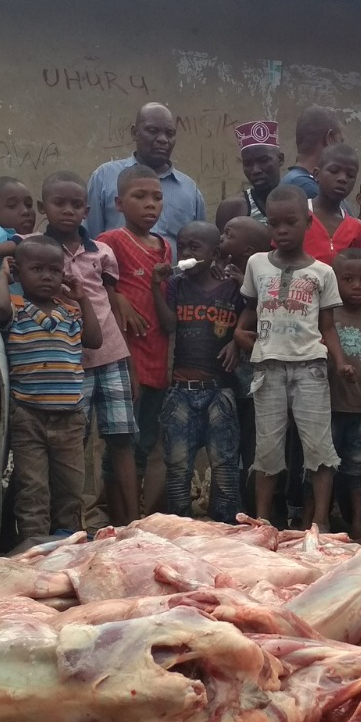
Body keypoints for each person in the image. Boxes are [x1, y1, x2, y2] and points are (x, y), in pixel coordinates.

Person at [237, 186, 350, 530]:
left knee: (319, 448)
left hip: (310, 368)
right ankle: (262, 522)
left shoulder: (322, 273)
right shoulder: (256, 264)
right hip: (268, 368)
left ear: (308, 221)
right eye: (274, 224)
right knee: (267, 450)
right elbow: (250, 310)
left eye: (291, 222)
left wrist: (340, 361)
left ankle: (320, 523)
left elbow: (327, 326)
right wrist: (239, 332)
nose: (282, 230)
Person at [40, 170, 139, 526]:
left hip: (111, 355)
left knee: (122, 440)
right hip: (67, 361)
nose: (68, 210)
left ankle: (134, 524)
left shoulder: (102, 252)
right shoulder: (35, 249)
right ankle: (67, 525)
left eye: (76, 204)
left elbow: (111, 301)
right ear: (43, 207)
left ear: (87, 210)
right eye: (59, 203)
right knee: (70, 443)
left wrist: (130, 363)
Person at [0, 236, 102, 540]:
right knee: (33, 487)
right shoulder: (16, 308)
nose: (47, 276)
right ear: (18, 271)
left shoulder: (71, 313)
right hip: (29, 416)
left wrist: (83, 299)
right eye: (37, 269)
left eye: (54, 270)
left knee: (70, 486)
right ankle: (34, 544)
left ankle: (66, 540)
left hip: (70, 417)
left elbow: (94, 340)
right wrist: (2, 275)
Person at [152, 221, 245, 522]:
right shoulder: (177, 285)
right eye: (182, 247)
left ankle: (225, 527)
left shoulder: (233, 287)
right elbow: (169, 324)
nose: (186, 254)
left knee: (224, 465)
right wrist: (156, 287)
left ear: (214, 253)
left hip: (220, 390)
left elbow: (252, 316)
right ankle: (180, 526)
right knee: (178, 466)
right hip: (181, 391)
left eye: (195, 247)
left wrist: (236, 342)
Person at [95, 164, 173, 512]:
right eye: (139, 196)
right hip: (125, 359)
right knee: (122, 442)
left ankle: (135, 515)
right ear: (119, 203)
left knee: (145, 443)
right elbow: (91, 284)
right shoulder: (110, 242)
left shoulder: (164, 247)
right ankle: (118, 517)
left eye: (157, 197)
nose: (150, 204)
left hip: (157, 358)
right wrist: (119, 298)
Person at [85, 102, 206, 251]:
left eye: (170, 134)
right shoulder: (104, 177)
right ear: (135, 133)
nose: (163, 139)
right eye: (153, 131)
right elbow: (90, 241)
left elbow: (201, 246)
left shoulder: (190, 190)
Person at [219, 216, 273, 510]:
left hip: (257, 376)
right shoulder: (222, 274)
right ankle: (232, 504)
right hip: (231, 375)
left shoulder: (264, 278)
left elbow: (266, 313)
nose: (221, 238)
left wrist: (246, 287)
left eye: (228, 234)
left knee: (255, 440)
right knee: (233, 442)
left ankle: (255, 506)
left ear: (248, 249)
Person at [328, 249, 361, 540]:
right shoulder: (328, 318)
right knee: (322, 467)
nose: (356, 286)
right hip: (330, 407)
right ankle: (316, 519)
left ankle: (358, 524)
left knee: (359, 471)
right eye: (348, 279)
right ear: (334, 281)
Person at [304, 144, 361, 310]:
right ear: (317, 174)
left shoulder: (358, 230)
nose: (342, 179)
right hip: (299, 311)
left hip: (341, 317)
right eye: (334, 171)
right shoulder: (298, 218)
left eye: (350, 175)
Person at [216, 120, 284, 227]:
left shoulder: (297, 201)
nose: (255, 170)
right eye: (248, 164)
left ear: (280, 159)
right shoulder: (233, 208)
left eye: (263, 160)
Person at [282, 105, 345, 198]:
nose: (342, 150)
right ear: (329, 139)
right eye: (341, 141)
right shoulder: (308, 188)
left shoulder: (293, 180)